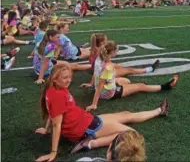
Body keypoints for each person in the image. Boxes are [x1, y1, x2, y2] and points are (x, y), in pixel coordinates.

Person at [34, 64, 169, 161]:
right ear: (54, 79)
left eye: (69, 77)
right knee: (132, 135)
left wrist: (46, 130)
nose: (69, 80)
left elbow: (50, 113)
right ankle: (89, 143)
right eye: (65, 77)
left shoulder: (55, 88)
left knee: (125, 114)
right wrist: (53, 152)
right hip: (83, 128)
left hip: (86, 120)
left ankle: (159, 111)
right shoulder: (56, 94)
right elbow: (57, 123)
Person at [85, 41, 178, 112]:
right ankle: (166, 86)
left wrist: (92, 84)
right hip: (108, 92)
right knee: (140, 86)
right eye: (117, 50)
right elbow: (101, 85)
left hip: (103, 85)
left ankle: (149, 69)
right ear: (112, 52)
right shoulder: (108, 68)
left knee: (127, 80)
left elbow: (97, 74)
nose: (117, 52)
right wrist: (94, 104)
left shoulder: (100, 58)